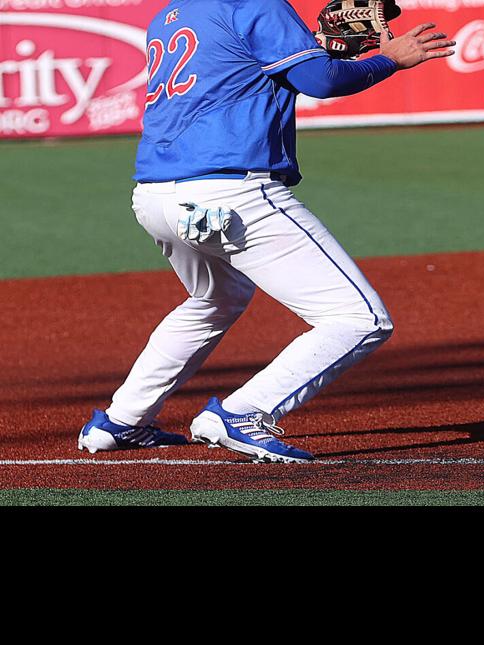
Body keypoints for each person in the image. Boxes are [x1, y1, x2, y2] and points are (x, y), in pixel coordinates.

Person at [75, 0, 454, 462]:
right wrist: (388, 59)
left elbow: (240, 74)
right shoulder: (256, 3)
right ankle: (242, 412)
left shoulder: (172, 13)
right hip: (229, 192)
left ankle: (121, 421)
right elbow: (320, 80)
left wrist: (321, 51)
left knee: (216, 299)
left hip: (155, 194)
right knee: (358, 320)